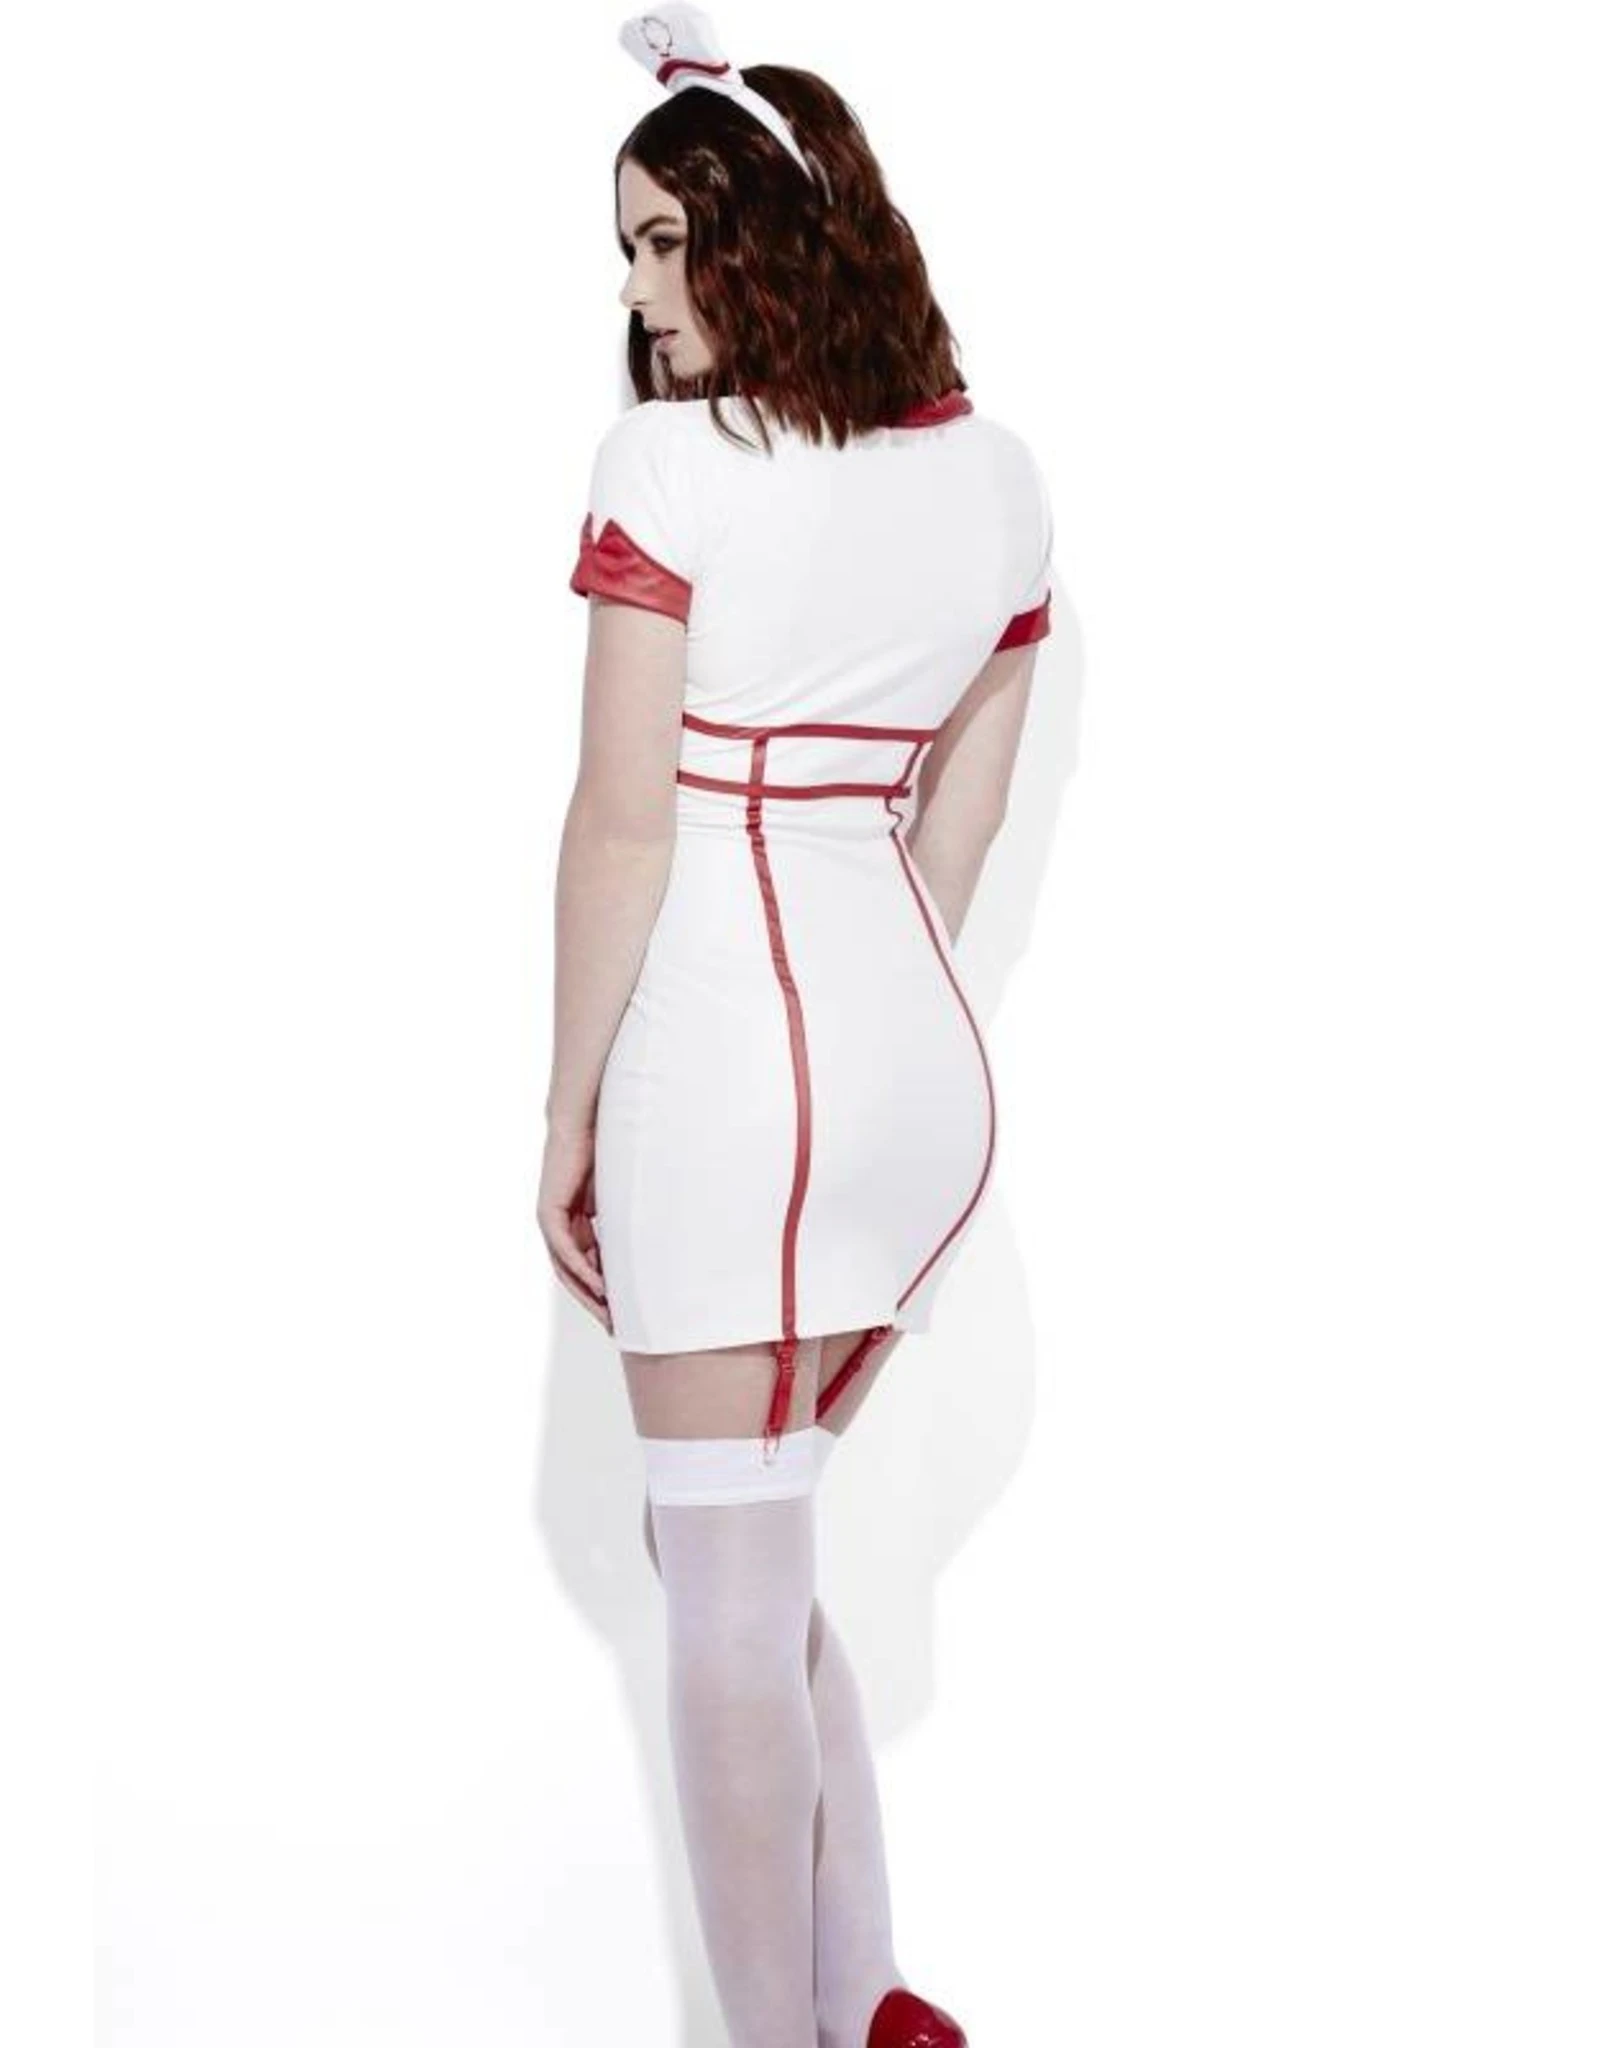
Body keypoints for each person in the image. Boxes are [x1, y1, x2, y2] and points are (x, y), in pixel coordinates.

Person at [539, 10, 1055, 2044]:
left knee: (726, 1602)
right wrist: (854, 1046)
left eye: (665, 242)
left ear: (769, 236)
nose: (637, 292)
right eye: (628, 249)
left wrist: (569, 1116)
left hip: (728, 1072)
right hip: (913, 1080)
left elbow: (621, 821)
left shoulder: (669, 469)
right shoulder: (998, 483)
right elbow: (962, 826)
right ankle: (872, 2003)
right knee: (738, 1569)